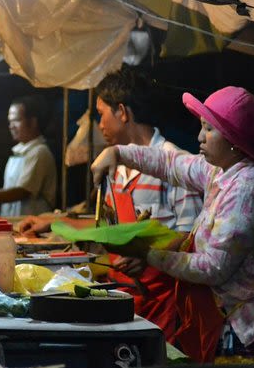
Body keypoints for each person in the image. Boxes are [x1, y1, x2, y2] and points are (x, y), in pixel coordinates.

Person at [91, 86, 254, 362]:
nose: (200, 136)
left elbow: (213, 267)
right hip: (223, 317)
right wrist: (118, 153)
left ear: (233, 139)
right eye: (202, 127)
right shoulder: (220, 172)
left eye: (209, 129)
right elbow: (171, 163)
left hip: (247, 328)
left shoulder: (246, 190)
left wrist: (148, 254)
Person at [19, 69, 202, 343]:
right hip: (122, 293)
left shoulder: (175, 163)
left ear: (122, 112)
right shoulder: (114, 166)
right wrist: (55, 224)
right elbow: (109, 229)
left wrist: (147, 255)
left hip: (164, 298)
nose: (98, 123)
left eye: (101, 113)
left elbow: (191, 237)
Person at [0, 95, 56, 216]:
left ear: (33, 122)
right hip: (14, 223)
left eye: (16, 120)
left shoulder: (39, 152)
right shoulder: (19, 152)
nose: (11, 126)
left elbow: (22, 192)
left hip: (32, 226)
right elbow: (11, 189)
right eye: (10, 121)